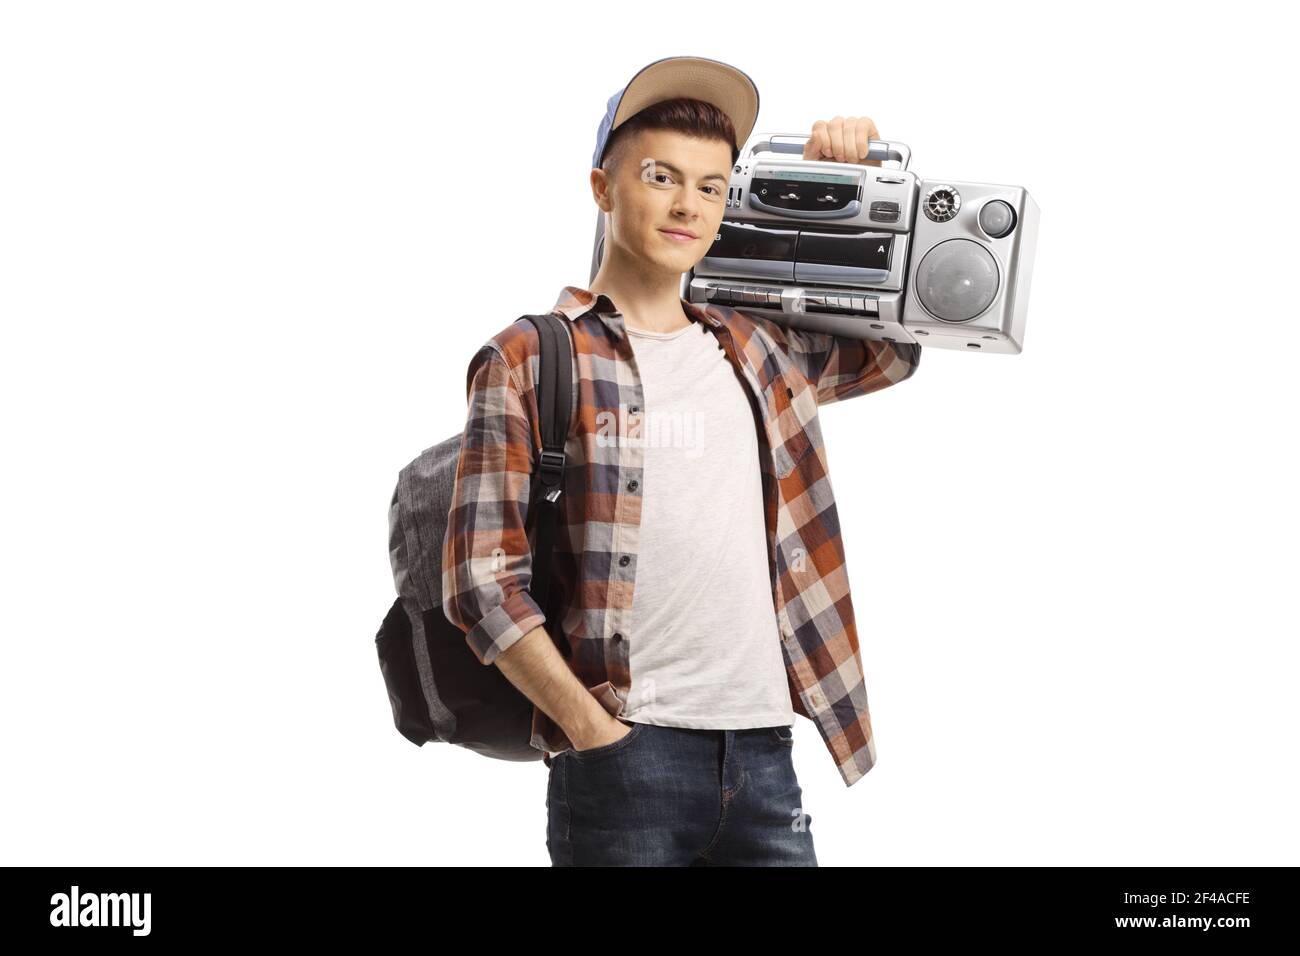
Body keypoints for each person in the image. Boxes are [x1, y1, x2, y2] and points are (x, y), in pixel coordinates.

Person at [441, 55, 922, 866]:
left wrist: (858, 189)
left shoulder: (760, 348)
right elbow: (481, 581)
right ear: (603, 188)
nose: (687, 205)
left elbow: (896, 347)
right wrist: (595, 733)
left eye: (710, 186)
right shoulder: (529, 355)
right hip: (624, 759)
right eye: (662, 177)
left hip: (766, 754)